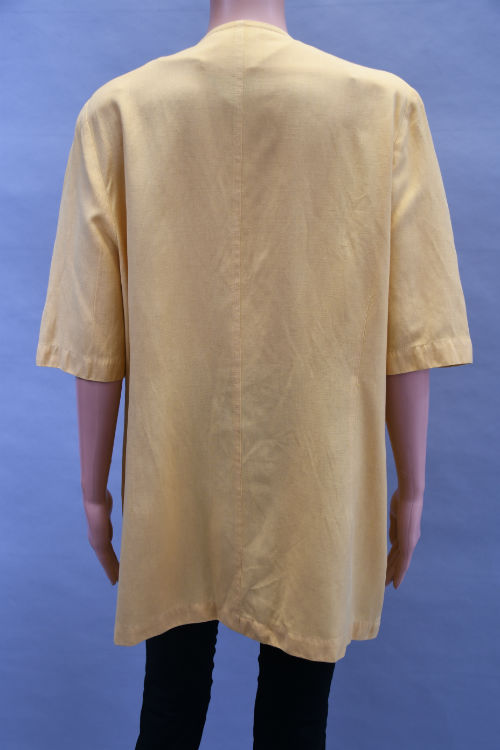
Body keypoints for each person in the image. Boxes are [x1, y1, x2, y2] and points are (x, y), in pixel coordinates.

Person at [35, 0, 473, 747]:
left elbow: (93, 335)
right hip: (317, 476)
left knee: (168, 709)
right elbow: (413, 335)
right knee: (297, 721)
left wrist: (94, 493)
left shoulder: (120, 112)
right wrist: (413, 489)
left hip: (175, 468)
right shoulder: (383, 107)